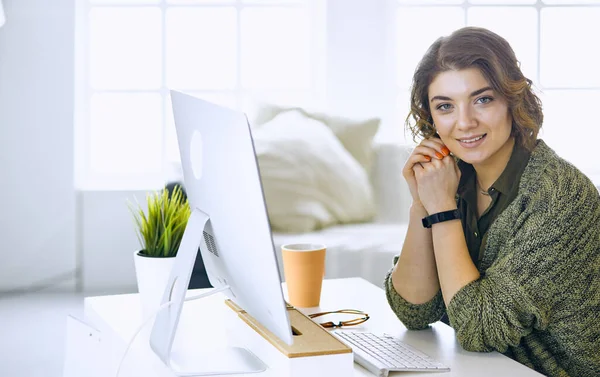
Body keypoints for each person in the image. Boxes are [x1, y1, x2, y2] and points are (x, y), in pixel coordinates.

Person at [384, 26, 600, 377]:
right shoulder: (453, 179)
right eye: (445, 107)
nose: (465, 123)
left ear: (513, 101)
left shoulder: (559, 196)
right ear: (431, 118)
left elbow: (478, 328)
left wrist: (442, 212)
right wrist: (422, 204)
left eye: (483, 99)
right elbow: (414, 312)